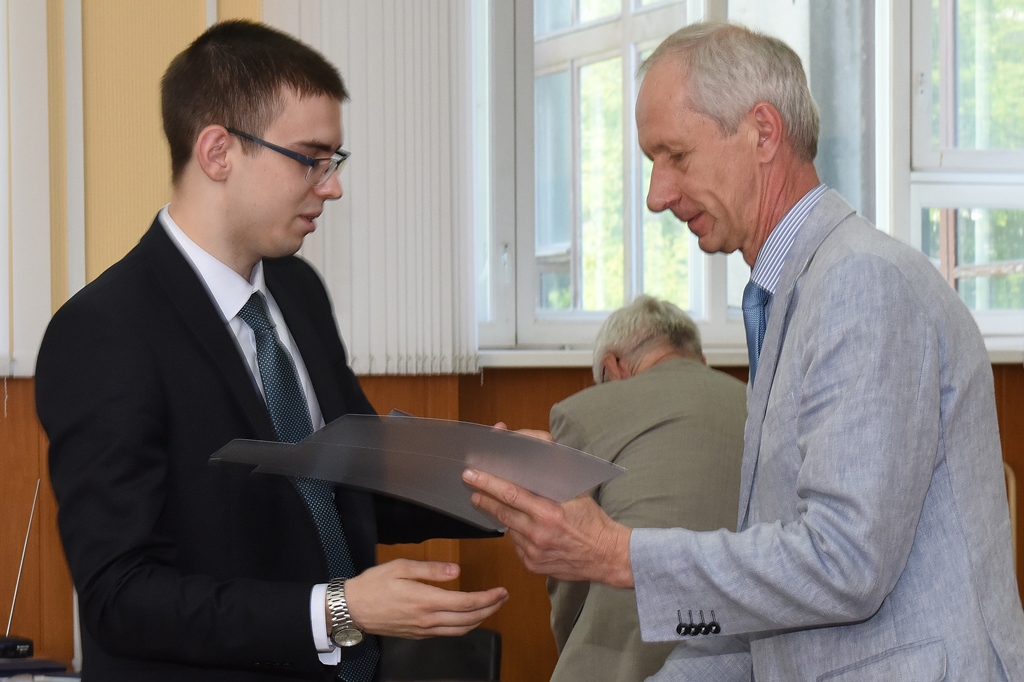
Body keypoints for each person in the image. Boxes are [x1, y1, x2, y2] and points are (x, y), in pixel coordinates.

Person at [464, 21, 1024, 680]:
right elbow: (769, 615)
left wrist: (617, 553)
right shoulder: (792, 295)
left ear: (763, 132)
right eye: (652, 163)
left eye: (676, 156)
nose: (656, 196)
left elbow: (844, 564)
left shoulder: (861, 283)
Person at [35, 20, 506, 682]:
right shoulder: (103, 332)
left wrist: (490, 482)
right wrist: (337, 610)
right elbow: (122, 596)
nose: (331, 185)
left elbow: (349, 488)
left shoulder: (297, 290)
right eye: (310, 158)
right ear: (218, 152)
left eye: (334, 160)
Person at [547, 295, 747, 682]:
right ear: (700, 359)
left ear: (613, 367)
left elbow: (565, 562)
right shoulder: (759, 406)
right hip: (745, 655)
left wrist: (569, 648)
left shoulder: (584, 411)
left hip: (625, 658)